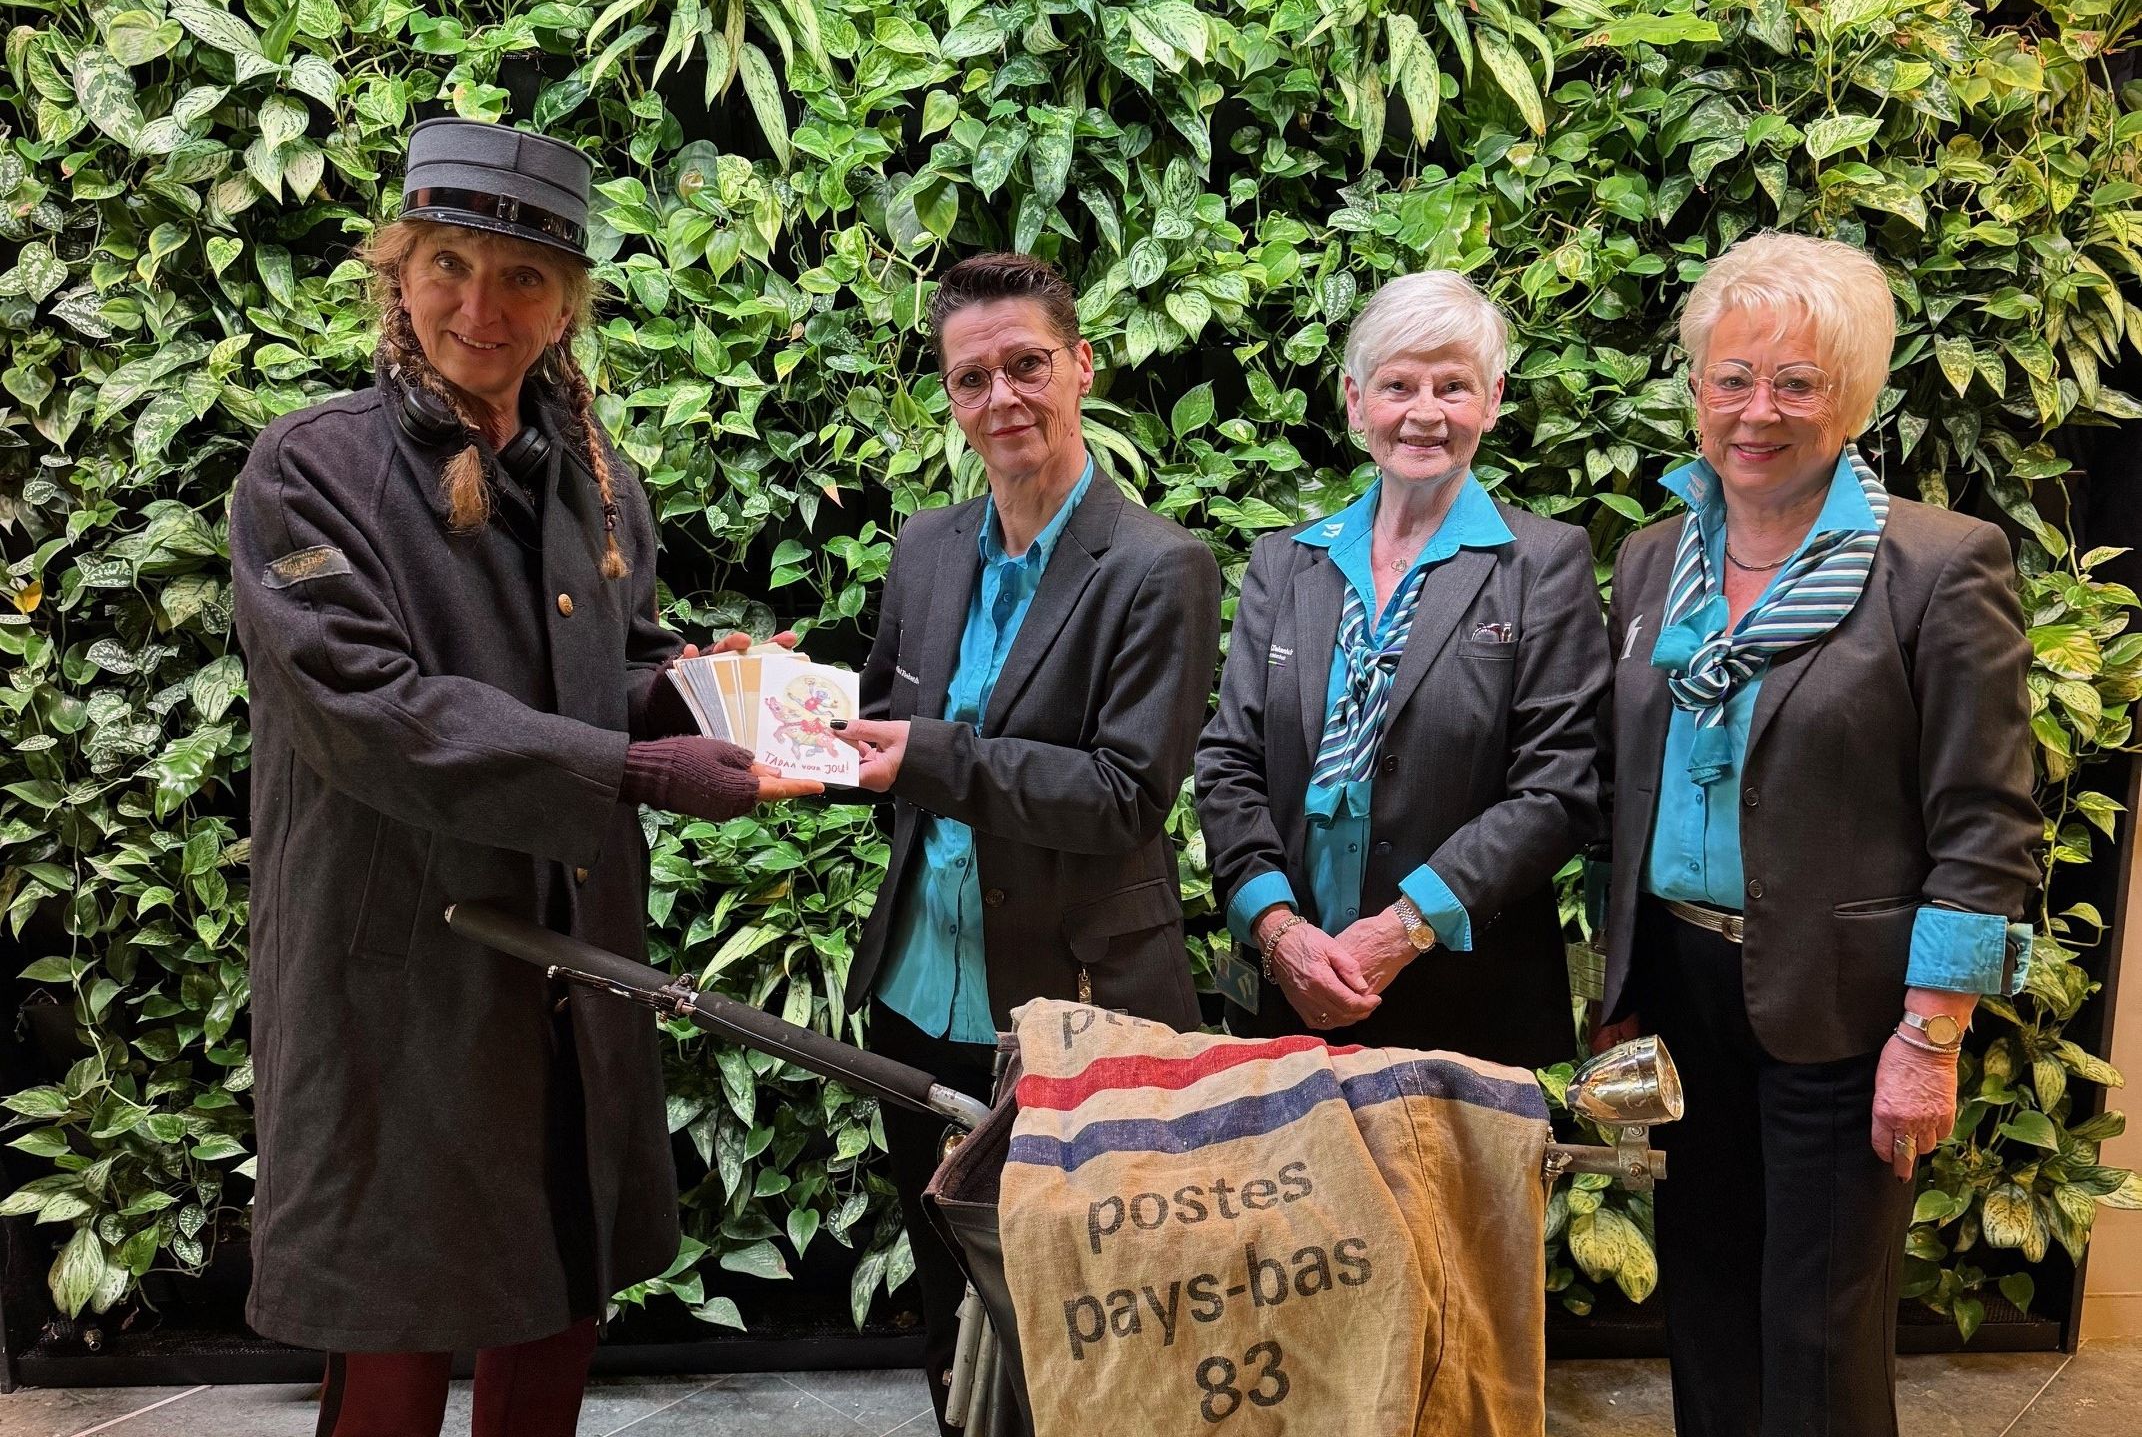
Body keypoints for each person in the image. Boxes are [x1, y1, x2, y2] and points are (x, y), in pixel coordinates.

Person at [230, 119, 811, 1437]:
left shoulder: (602, 483)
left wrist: (706, 687)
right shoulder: (309, 469)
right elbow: (367, 708)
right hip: (401, 973)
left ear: (568, 307)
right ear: (399, 269)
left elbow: (612, 668)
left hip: (569, 952)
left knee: (560, 1283)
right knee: (399, 1317)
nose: (479, 307)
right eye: (448, 263)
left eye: (523, 280)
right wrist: (638, 764)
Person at [1592, 231, 2041, 1436]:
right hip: (1686, 989)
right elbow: (1629, 786)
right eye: (1733, 378)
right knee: (1706, 1298)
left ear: (1850, 400)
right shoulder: (1652, 565)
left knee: (1818, 1326)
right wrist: (1621, 975)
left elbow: (1989, 826)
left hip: (1846, 1008)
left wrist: (1931, 1040)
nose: (1758, 412)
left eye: (1797, 383)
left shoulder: (1937, 567)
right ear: (1698, 390)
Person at [832, 252, 1222, 1433]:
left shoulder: (1162, 567)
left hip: (1073, 995)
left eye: (1026, 366)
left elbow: (1121, 796)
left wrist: (929, 756)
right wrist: (777, 713)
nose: (1002, 398)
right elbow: (882, 737)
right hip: (916, 994)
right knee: (954, 1298)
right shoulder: (927, 546)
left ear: (1080, 367)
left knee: (1078, 1321)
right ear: (949, 399)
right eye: (971, 378)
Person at [1194, 270, 1610, 1066]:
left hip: (1465, 999)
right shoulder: (1286, 562)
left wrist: (1403, 927)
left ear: (1492, 401)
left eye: (1453, 386)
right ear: (1355, 403)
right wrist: (1277, 929)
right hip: (1287, 995)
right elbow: (1226, 760)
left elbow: (1560, 786)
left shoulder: (1542, 564)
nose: (1425, 413)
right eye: (1398, 385)